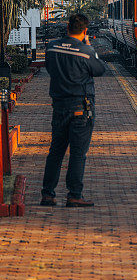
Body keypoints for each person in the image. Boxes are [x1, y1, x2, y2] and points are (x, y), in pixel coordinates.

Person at [40, 13, 106, 207]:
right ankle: (74, 195)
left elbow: (49, 69)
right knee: (77, 153)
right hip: (81, 109)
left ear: (67, 28)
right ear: (85, 31)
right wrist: (89, 46)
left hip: (59, 106)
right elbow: (100, 70)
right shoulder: (86, 51)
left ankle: (47, 194)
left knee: (55, 152)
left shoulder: (51, 47)